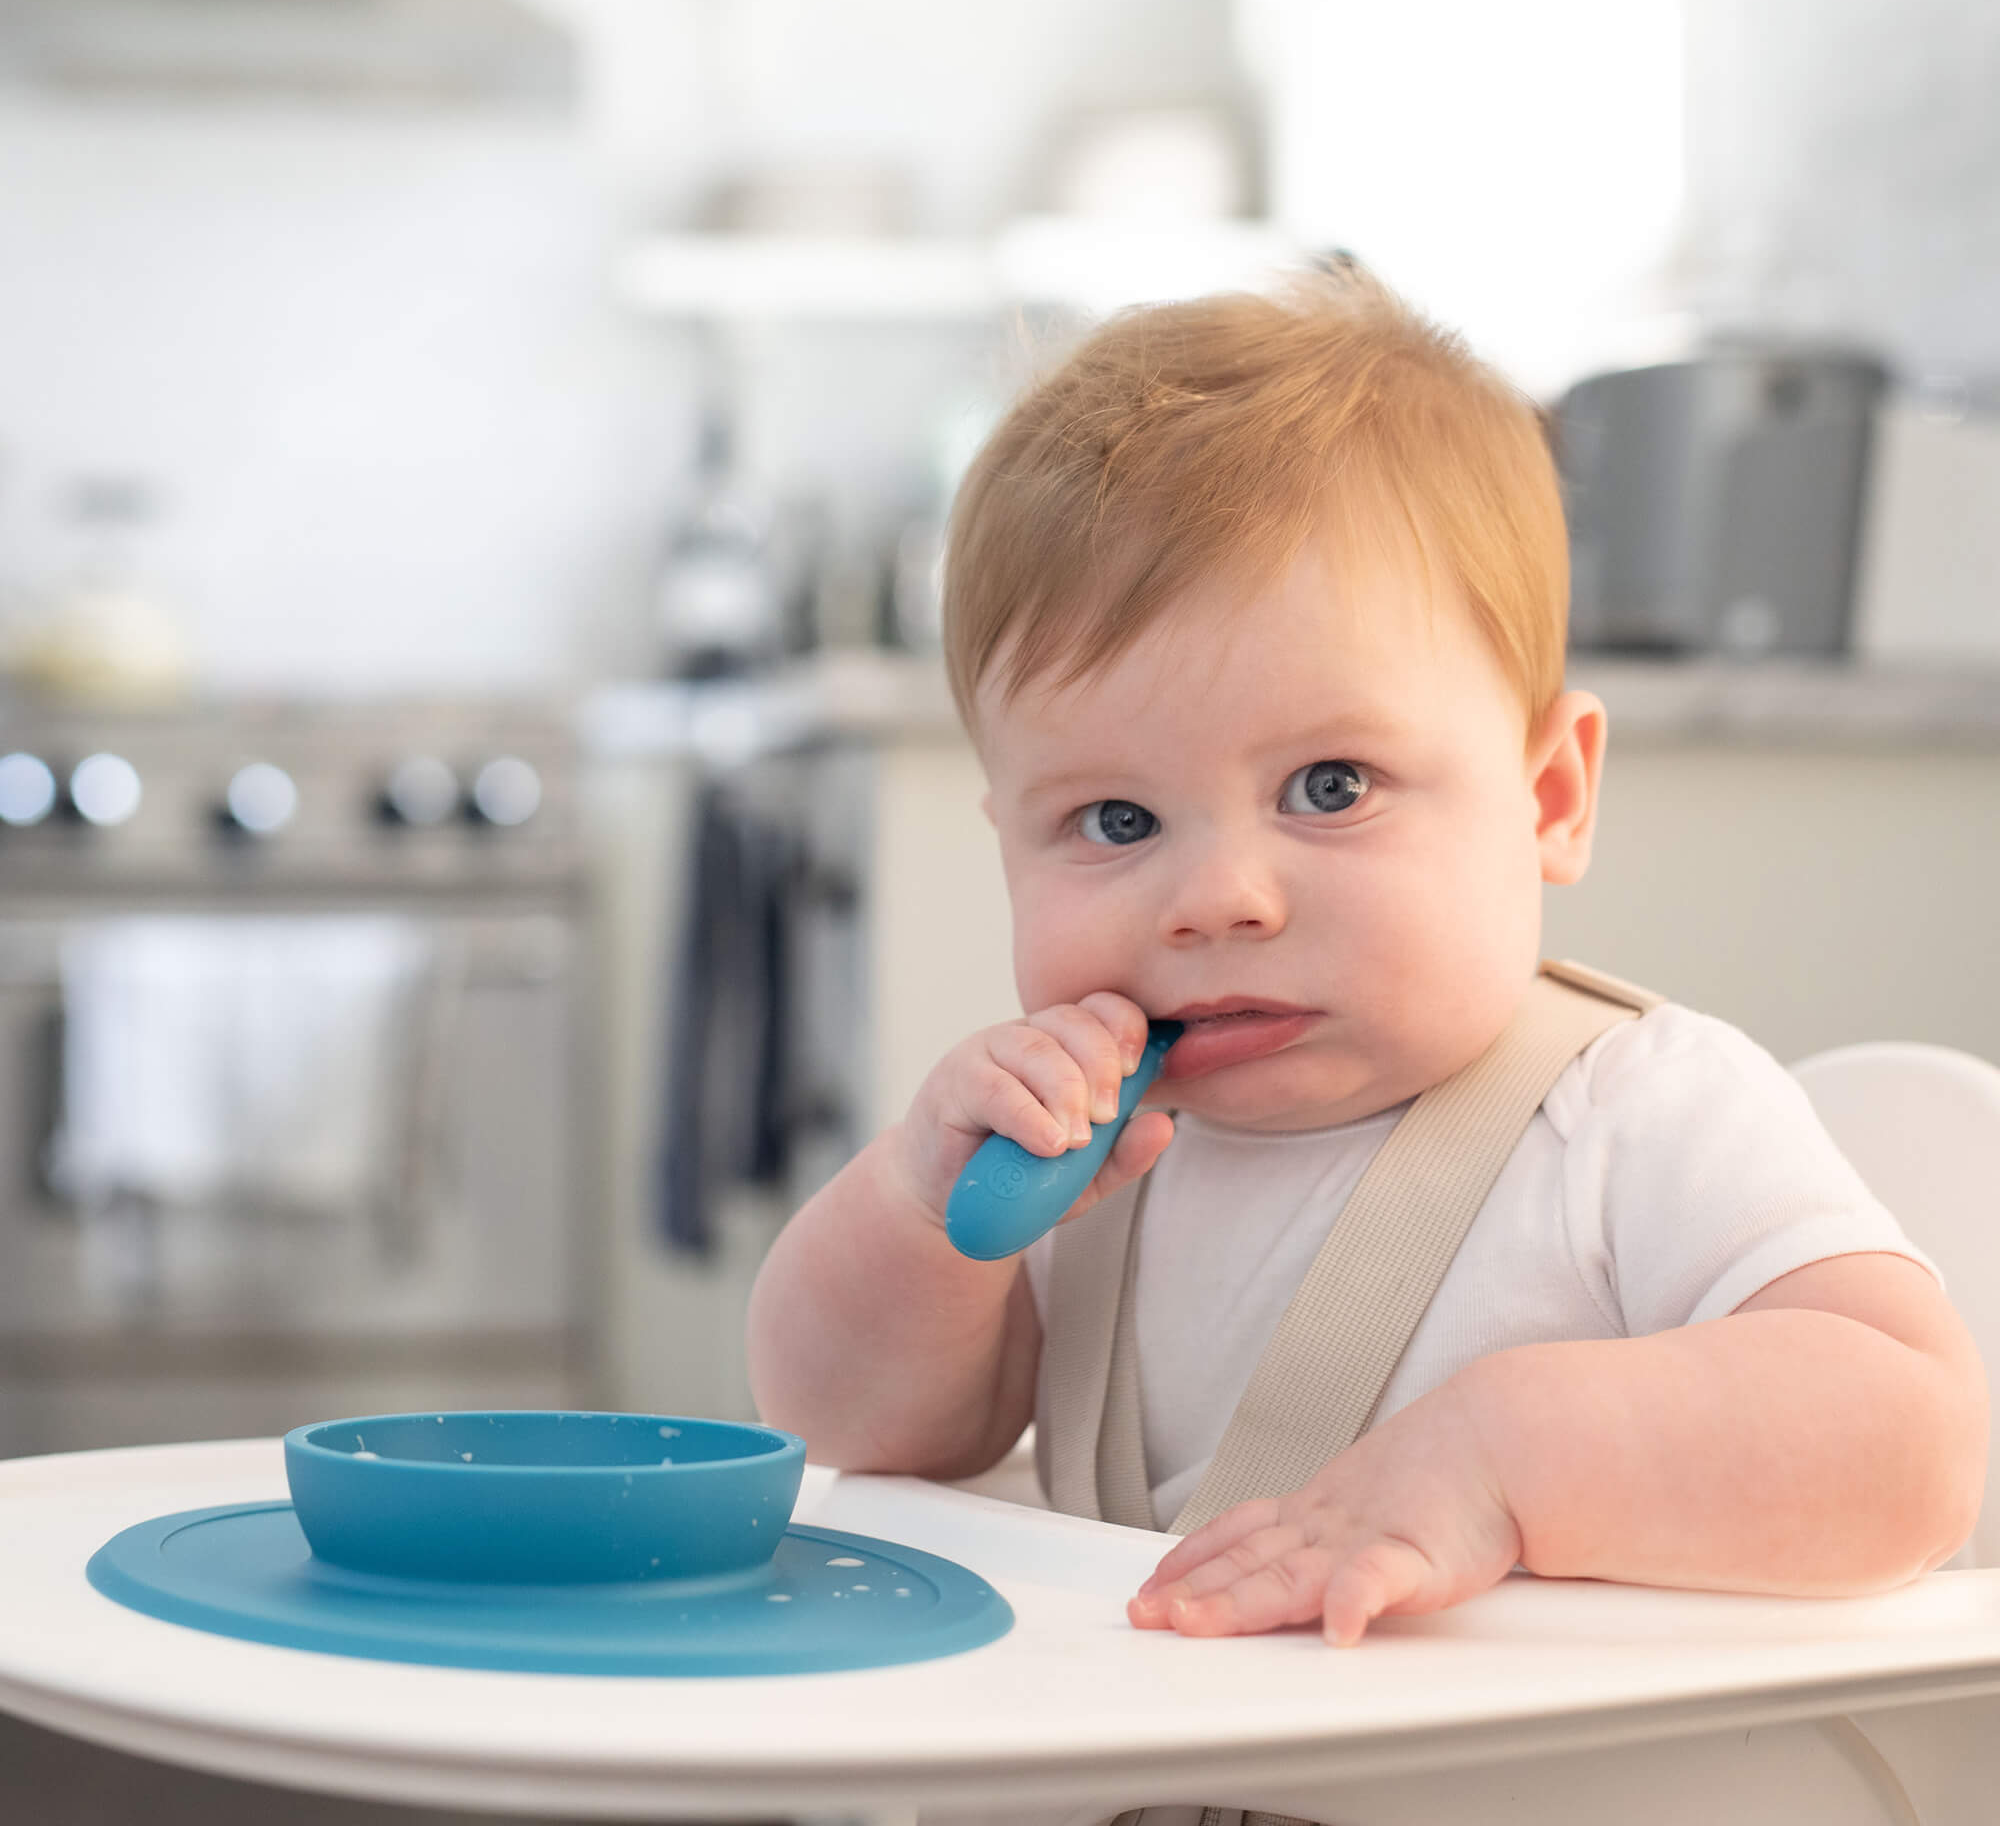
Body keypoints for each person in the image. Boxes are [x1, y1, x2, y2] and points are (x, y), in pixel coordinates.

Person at [745, 268, 1987, 1650]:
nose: (1215, 898)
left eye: (1331, 786)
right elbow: (849, 1427)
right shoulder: (1084, 1163)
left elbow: (1916, 1446)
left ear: (1550, 799)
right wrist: (921, 1209)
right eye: (1116, 820)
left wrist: (1508, 1458)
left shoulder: (1636, 1117)